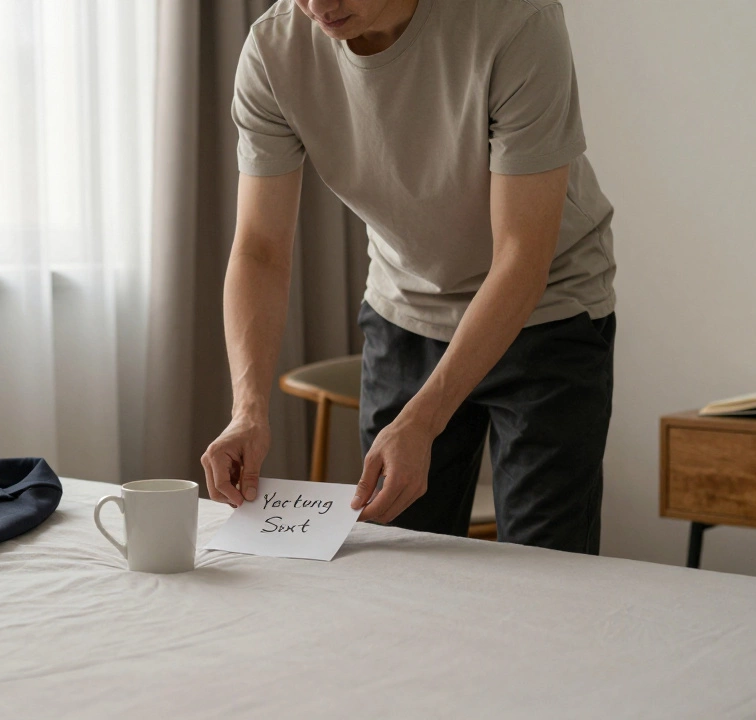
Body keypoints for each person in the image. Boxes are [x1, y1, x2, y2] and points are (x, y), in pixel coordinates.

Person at [200, 0, 616, 553]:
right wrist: (246, 411)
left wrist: (422, 421)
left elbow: (521, 255)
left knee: (544, 570)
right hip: (406, 311)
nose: (318, 6)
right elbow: (259, 249)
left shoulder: (517, 20)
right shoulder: (275, 48)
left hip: (548, 314)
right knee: (399, 560)